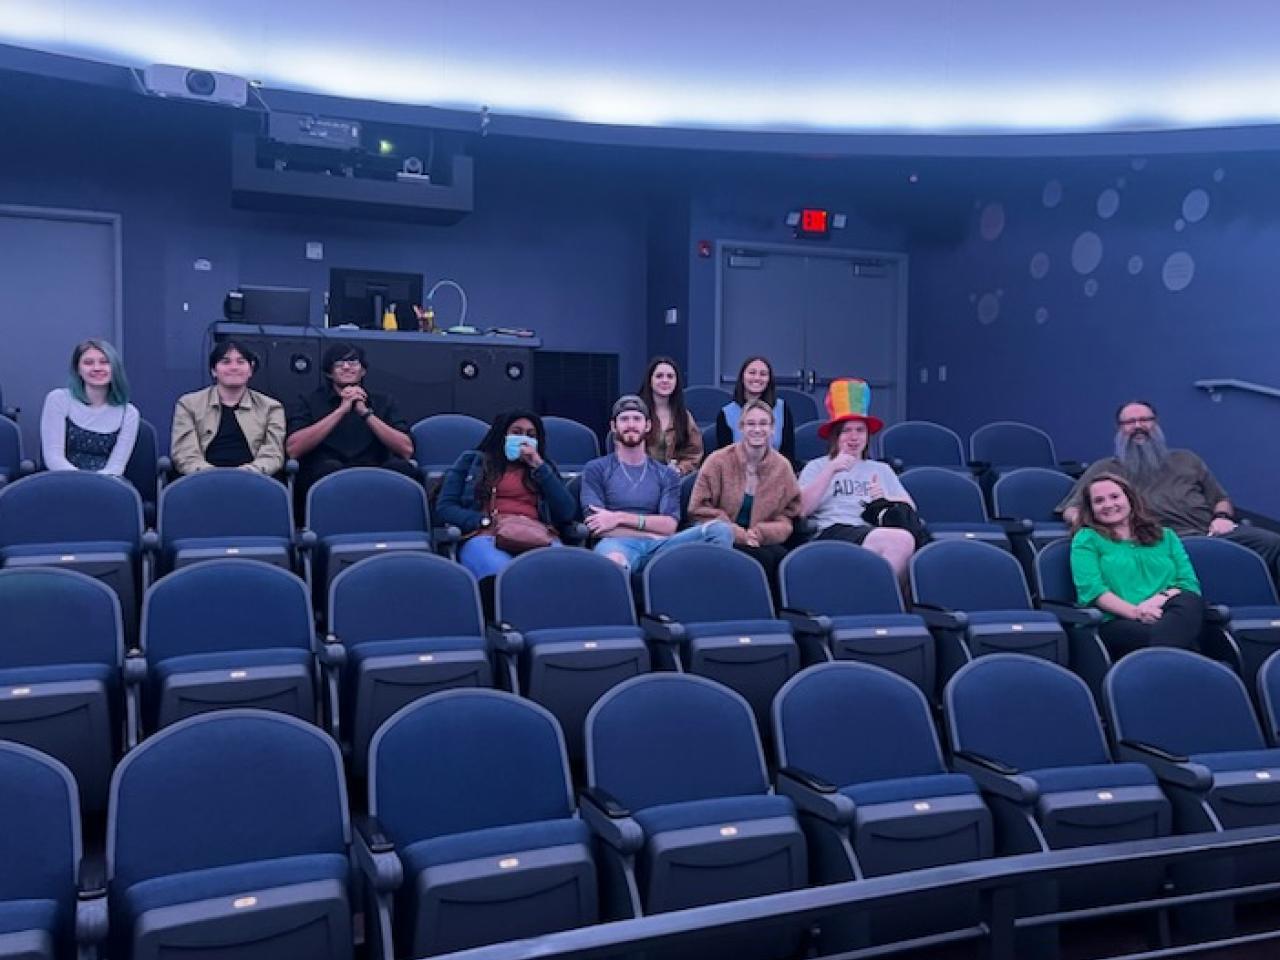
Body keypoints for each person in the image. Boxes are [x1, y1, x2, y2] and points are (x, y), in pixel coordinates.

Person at [1060, 400, 1280, 585]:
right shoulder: (1105, 468)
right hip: (1156, 540)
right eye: (1130, 422)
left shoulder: (1187, 459)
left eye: (1145, 420)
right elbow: (1071, 509)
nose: (1138, 426)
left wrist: (1221, 518)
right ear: (1120, 429)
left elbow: (1221, 499)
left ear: (1156, 424)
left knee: (1272, 542)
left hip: (1209, 532)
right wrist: (1107, 531)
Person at [581, 394, 732, 573]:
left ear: (648, 426)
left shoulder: (667, 474)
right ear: (614, 427)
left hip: (663, 545)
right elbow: (598, 528)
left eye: (637, 419)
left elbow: (669, 526)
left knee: (720, 530)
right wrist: (650, 533)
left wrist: (618, 518)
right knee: (615, 562)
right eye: (624, 419)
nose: (630, 424)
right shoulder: (595, 469)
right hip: (617, 544)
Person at [1070, 472, 1206, 655]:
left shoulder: (1166, 536)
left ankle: (1164, 660)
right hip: (1118, 621)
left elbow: (1188, 584)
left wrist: (1157, 601)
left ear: (1130, 499)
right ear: (1091, 509)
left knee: (1190, 601)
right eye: (1099, 501)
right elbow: (1092, 591)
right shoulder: (1087, 539)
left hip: (1167, 614)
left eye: (1115, 497)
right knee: (1178, 636)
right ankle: (1183, 661)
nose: (1108, 505)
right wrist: (1137, 613)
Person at [435, 410, 577, 580]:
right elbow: (445, 507)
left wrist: (539, 466)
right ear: (502, 435)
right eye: (516, 433)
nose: (524, 439)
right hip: (487, 536)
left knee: (568, 573)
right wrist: (481, 521)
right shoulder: (472, 462)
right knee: (504, 575)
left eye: (531, 435)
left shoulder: (545, 468)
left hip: (538, 537)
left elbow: (567, 512)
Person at [798, 379, 916, 579]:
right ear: (835, 436)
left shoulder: (881, 469)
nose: (854, 437)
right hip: (832, 532)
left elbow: (910, 508)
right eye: (846, 431)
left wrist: (885, 499)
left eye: (860, 431)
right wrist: (831, 470)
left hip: (872, 531)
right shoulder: (817, 466)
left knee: (902, 541)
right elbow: (801, 509)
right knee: (901, 541)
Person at [689, 399, 801, 586]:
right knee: (761, 559)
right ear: (741, 428)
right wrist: (737, 533)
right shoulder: (718, 461)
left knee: (783, 560)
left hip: (761, 539)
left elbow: (788, 514)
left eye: (763, 424)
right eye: (751, 423)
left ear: (773, 429)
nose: (757, 429)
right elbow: (698, 508)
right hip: (721, 536)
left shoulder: (782, 467)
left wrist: (761, 533)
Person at [285, 342, 416, 498]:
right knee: (326, 470)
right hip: (326, 470)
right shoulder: (309, 402)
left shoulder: (385, 402)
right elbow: (293, 449)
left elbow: (406, 449)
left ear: (363, 371)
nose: (347, 367)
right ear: (329, 373)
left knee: (402, 469)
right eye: (339, 364)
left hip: (375, 470)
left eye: (353, 362)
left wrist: (366, 413)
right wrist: (341, 410)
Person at [170, 341, 286, 476]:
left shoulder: (271, 408)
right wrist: (212, 475)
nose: (234, 367)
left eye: (241, 362)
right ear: (214, 370)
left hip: (253, 480)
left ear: (250, 370)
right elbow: (185, 454)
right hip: (202, 480)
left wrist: (247, 473)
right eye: (226, 362)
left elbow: (273, 455)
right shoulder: (188, 404)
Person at [40, 338, 139, 475]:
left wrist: (95, 486)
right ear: (78, 370)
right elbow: (54, 459)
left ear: (114, 368)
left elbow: (116, 467)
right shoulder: (58, 400)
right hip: (62, 481)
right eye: (88, 363)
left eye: (104, 362)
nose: (97, 368)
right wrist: (83, 483)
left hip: (108, 484)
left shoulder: (129, 413)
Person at [715, 356, 796, 464]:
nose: (757, 378)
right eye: (752, 373)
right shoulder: (726, 413)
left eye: (763, 374)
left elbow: (788, 455)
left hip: (776, 473)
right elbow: (725, 459)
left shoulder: (782, 408)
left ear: (769, 380)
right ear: (742, 377)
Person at [637, 356, 703, 475]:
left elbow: (694, 454)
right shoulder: (636, 414)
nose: (665, 380)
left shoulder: (684, 416)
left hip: (674, 481)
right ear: (650, 381)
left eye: (670, 376)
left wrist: (679, 469)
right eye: (659, 376)